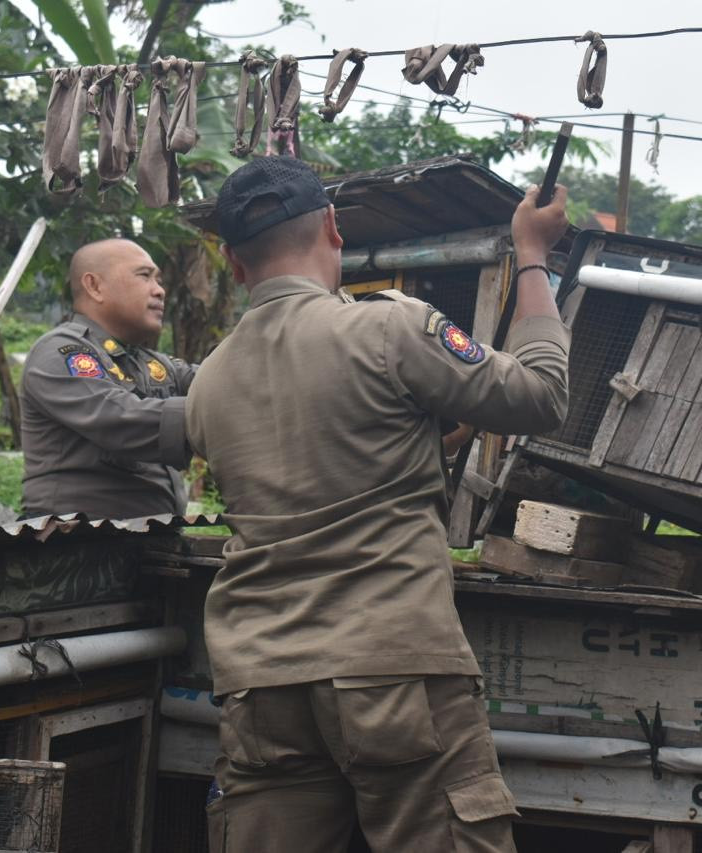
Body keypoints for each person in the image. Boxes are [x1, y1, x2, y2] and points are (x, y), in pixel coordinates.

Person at [185, 156, 570, 852]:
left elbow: (332, 446)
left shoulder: (209, 380)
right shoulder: (388, 331)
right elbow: (542, 394)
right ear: (333, 227)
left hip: (261, 686)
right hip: (389, 669)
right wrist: (533, 255)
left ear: (235, 265)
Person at [20, 238, 196, 519]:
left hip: (149, 540)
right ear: (95, 286)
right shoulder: (61, 352)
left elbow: (217, 381)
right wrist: (215, 416)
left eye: (159, 280)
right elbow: (121, 419)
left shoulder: (150, 361)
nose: (160, 291)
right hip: (78, 547)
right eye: (144, 276)